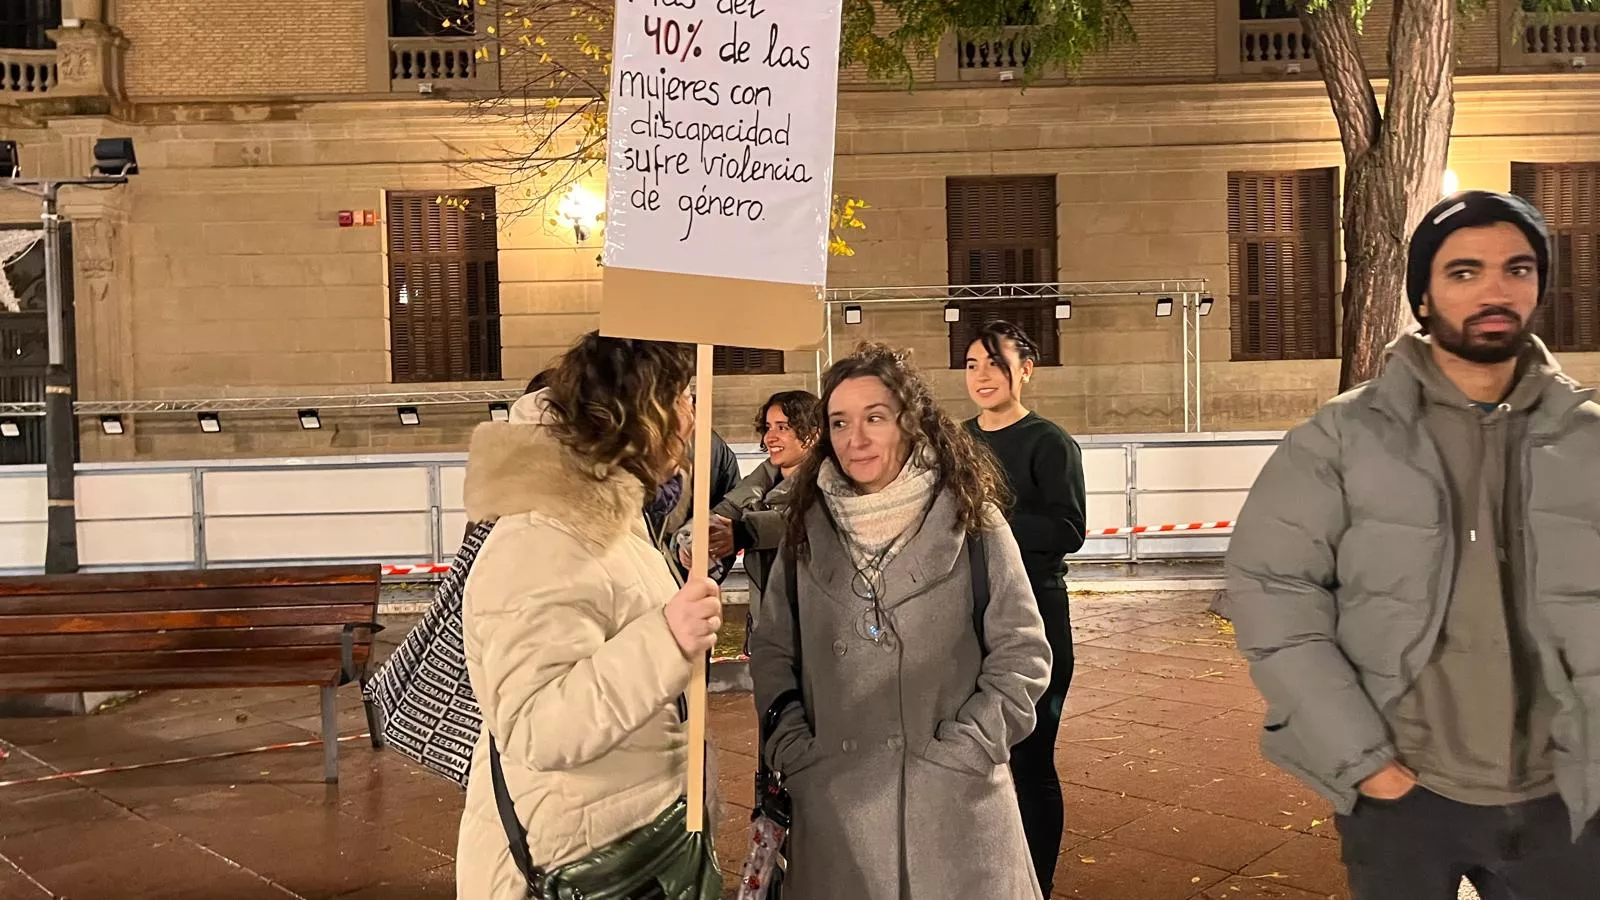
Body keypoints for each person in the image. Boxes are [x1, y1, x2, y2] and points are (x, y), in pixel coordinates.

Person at [1222, 190, 1600, 899]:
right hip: (1404, 798)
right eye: (1464, 272)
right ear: (1422, 298)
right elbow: (1272, 595)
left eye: (1517, 269)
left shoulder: (1590, 439)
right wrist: (1362, 762)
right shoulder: (1340, 438)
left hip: (1569, 801)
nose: (1495, 289)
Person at [749, 342, 1052, 900]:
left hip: (954, 815)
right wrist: (794, 751)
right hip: (835, 811)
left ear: (910, 424)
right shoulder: (803, 532)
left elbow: (1023, 655)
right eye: (839, 422)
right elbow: (771, 654)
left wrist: (971, 748)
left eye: (875, 418)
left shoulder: (972, 522)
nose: (855, 439)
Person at [455, 332, 725, 900]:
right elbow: (535, 726)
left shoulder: (611, 523)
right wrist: (667, 639)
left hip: (631, 846)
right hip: (578, 862)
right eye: (682, 398)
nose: (692, 417)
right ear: (641, 412)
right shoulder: (540, 539)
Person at [962, 320, 1087, 895]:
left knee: (1031, 760)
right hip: (963, 619)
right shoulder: (954, 442)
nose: (982, 375)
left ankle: (1038, 884)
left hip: (1035, 613)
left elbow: (1067, 529)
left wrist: (990, 520)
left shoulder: (1050, 442)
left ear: (1026, 370)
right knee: (970, 758)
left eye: (994, 362)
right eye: (971, 365)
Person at [678, 390, 822, 612]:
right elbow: (723, 513)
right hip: (764, 623)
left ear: (813, 434)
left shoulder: (827, 482)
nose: (769, 437)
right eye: (768, 427)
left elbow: (803, 522)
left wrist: (744, 533)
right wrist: (690, 541)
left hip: (812, 623)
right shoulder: (757, 483)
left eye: (782, 427)